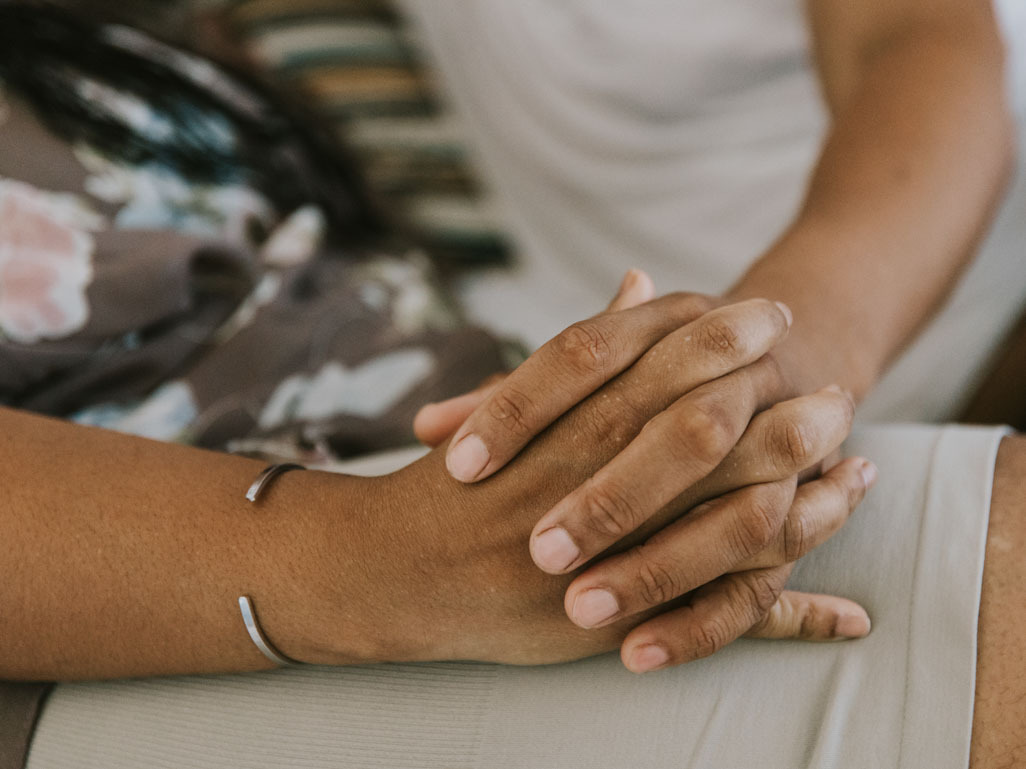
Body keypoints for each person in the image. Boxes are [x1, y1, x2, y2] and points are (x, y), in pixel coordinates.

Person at [0, 2, 1023, 769]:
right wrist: (369, 561)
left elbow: (916, 33)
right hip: (208, 580)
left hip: (461, 430)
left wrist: (758, 370)